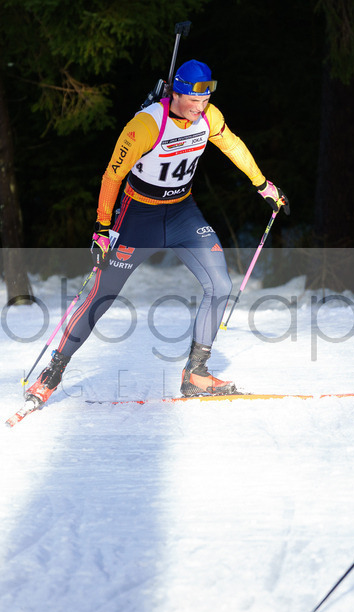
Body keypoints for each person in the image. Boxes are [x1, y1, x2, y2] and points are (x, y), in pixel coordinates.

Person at [23, 59, 289, 407]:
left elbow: (232, 145)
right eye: (193, 100)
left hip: (182, 213)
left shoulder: (209, 117)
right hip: (138, 217)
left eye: (205, 99)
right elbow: (112, 175)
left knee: (220, 285)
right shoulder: (147, 124)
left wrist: (262, 184)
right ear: (175, 93)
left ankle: (196, 373)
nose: (199, 107)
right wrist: (102, 228)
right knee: (102, 295)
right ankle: (53, 372)